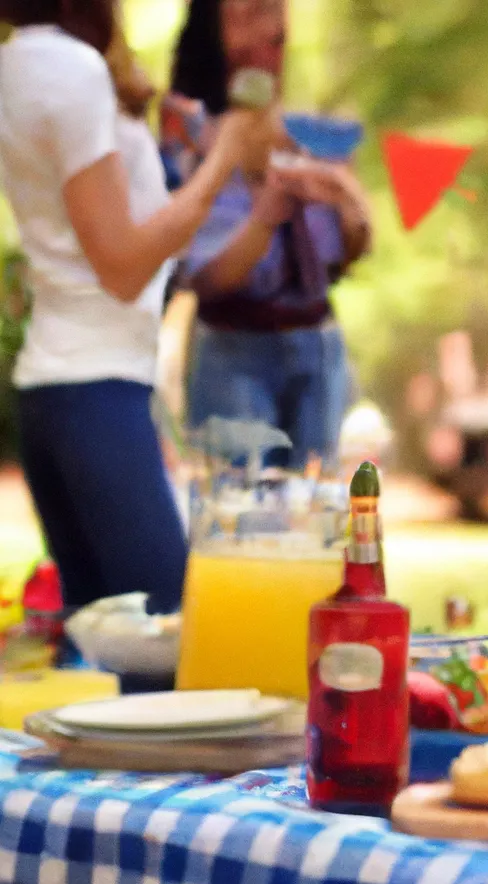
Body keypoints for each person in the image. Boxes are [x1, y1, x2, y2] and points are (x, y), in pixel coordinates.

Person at [0, 1, 268, 664]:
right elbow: (121, 266)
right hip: (95, 393)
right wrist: (225, 157)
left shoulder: (19, 64)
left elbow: (97, 229)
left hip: (58, 393)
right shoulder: (71, 68)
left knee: (111, 662)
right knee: (170, 648)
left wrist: (173, 157)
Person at [167, 0, 372, 470]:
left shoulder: (314, 133)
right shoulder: (191, 137)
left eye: (275, 15)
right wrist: (263, 212)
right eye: (249, 14)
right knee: (241, 502)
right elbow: (202, 278)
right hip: (233, 344)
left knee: (316, 501)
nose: (269, 29)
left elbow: (346, 258)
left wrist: (347, 202)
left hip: (318, 345)